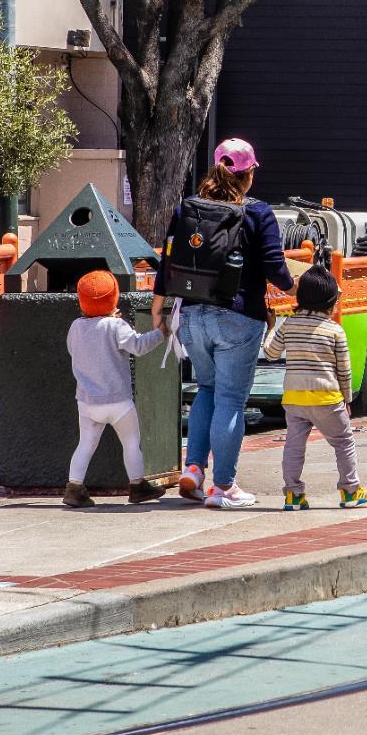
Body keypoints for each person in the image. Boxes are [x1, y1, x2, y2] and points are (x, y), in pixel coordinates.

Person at [152, 138, 294, 510]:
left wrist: (159, 306)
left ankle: (195, 470)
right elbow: (275, 268)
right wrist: (298, 283)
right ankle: (223, 487)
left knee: (207, 390)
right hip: (236, 317)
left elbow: (167, 257)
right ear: (247, 175)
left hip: (190, 315)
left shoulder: (188, 208)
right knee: (231, 398)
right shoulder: (257, 213)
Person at [263, 265, 367, 510]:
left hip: (294, 399)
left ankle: (293, 494)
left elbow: (271, 353)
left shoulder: (289, 325)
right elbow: (344, 370)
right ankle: (350, 489)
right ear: (331, 304)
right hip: (327, 398)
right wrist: (347, 399)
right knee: (343, 441)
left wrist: (270, 328)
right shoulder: (334, 330)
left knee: (294, 446)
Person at [64, 270, 168, 508]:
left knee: (85, 444)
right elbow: (139, 346)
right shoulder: (116, 325)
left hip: (88, 402)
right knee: (131, 442)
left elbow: (75, 350)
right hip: (118, 401)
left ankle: (74, 488)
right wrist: (161, 333)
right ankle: (137, 486)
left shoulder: (75, 327)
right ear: (113, 299)